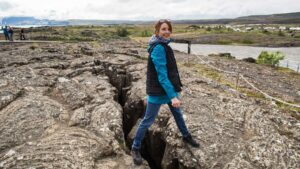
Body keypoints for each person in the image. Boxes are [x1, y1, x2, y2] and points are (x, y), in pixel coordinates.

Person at [131, 19, 200, 166]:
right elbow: (162, 76)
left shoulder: (164, 44)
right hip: (158, 91)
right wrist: (173, 96)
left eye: (168, 29)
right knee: (147, 121)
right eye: (163, 29)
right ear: (157, 31)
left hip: (169, 89)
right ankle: (135, 148)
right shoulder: (158, 48)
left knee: (178, 114)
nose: (167, 31)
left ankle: (186, 136)